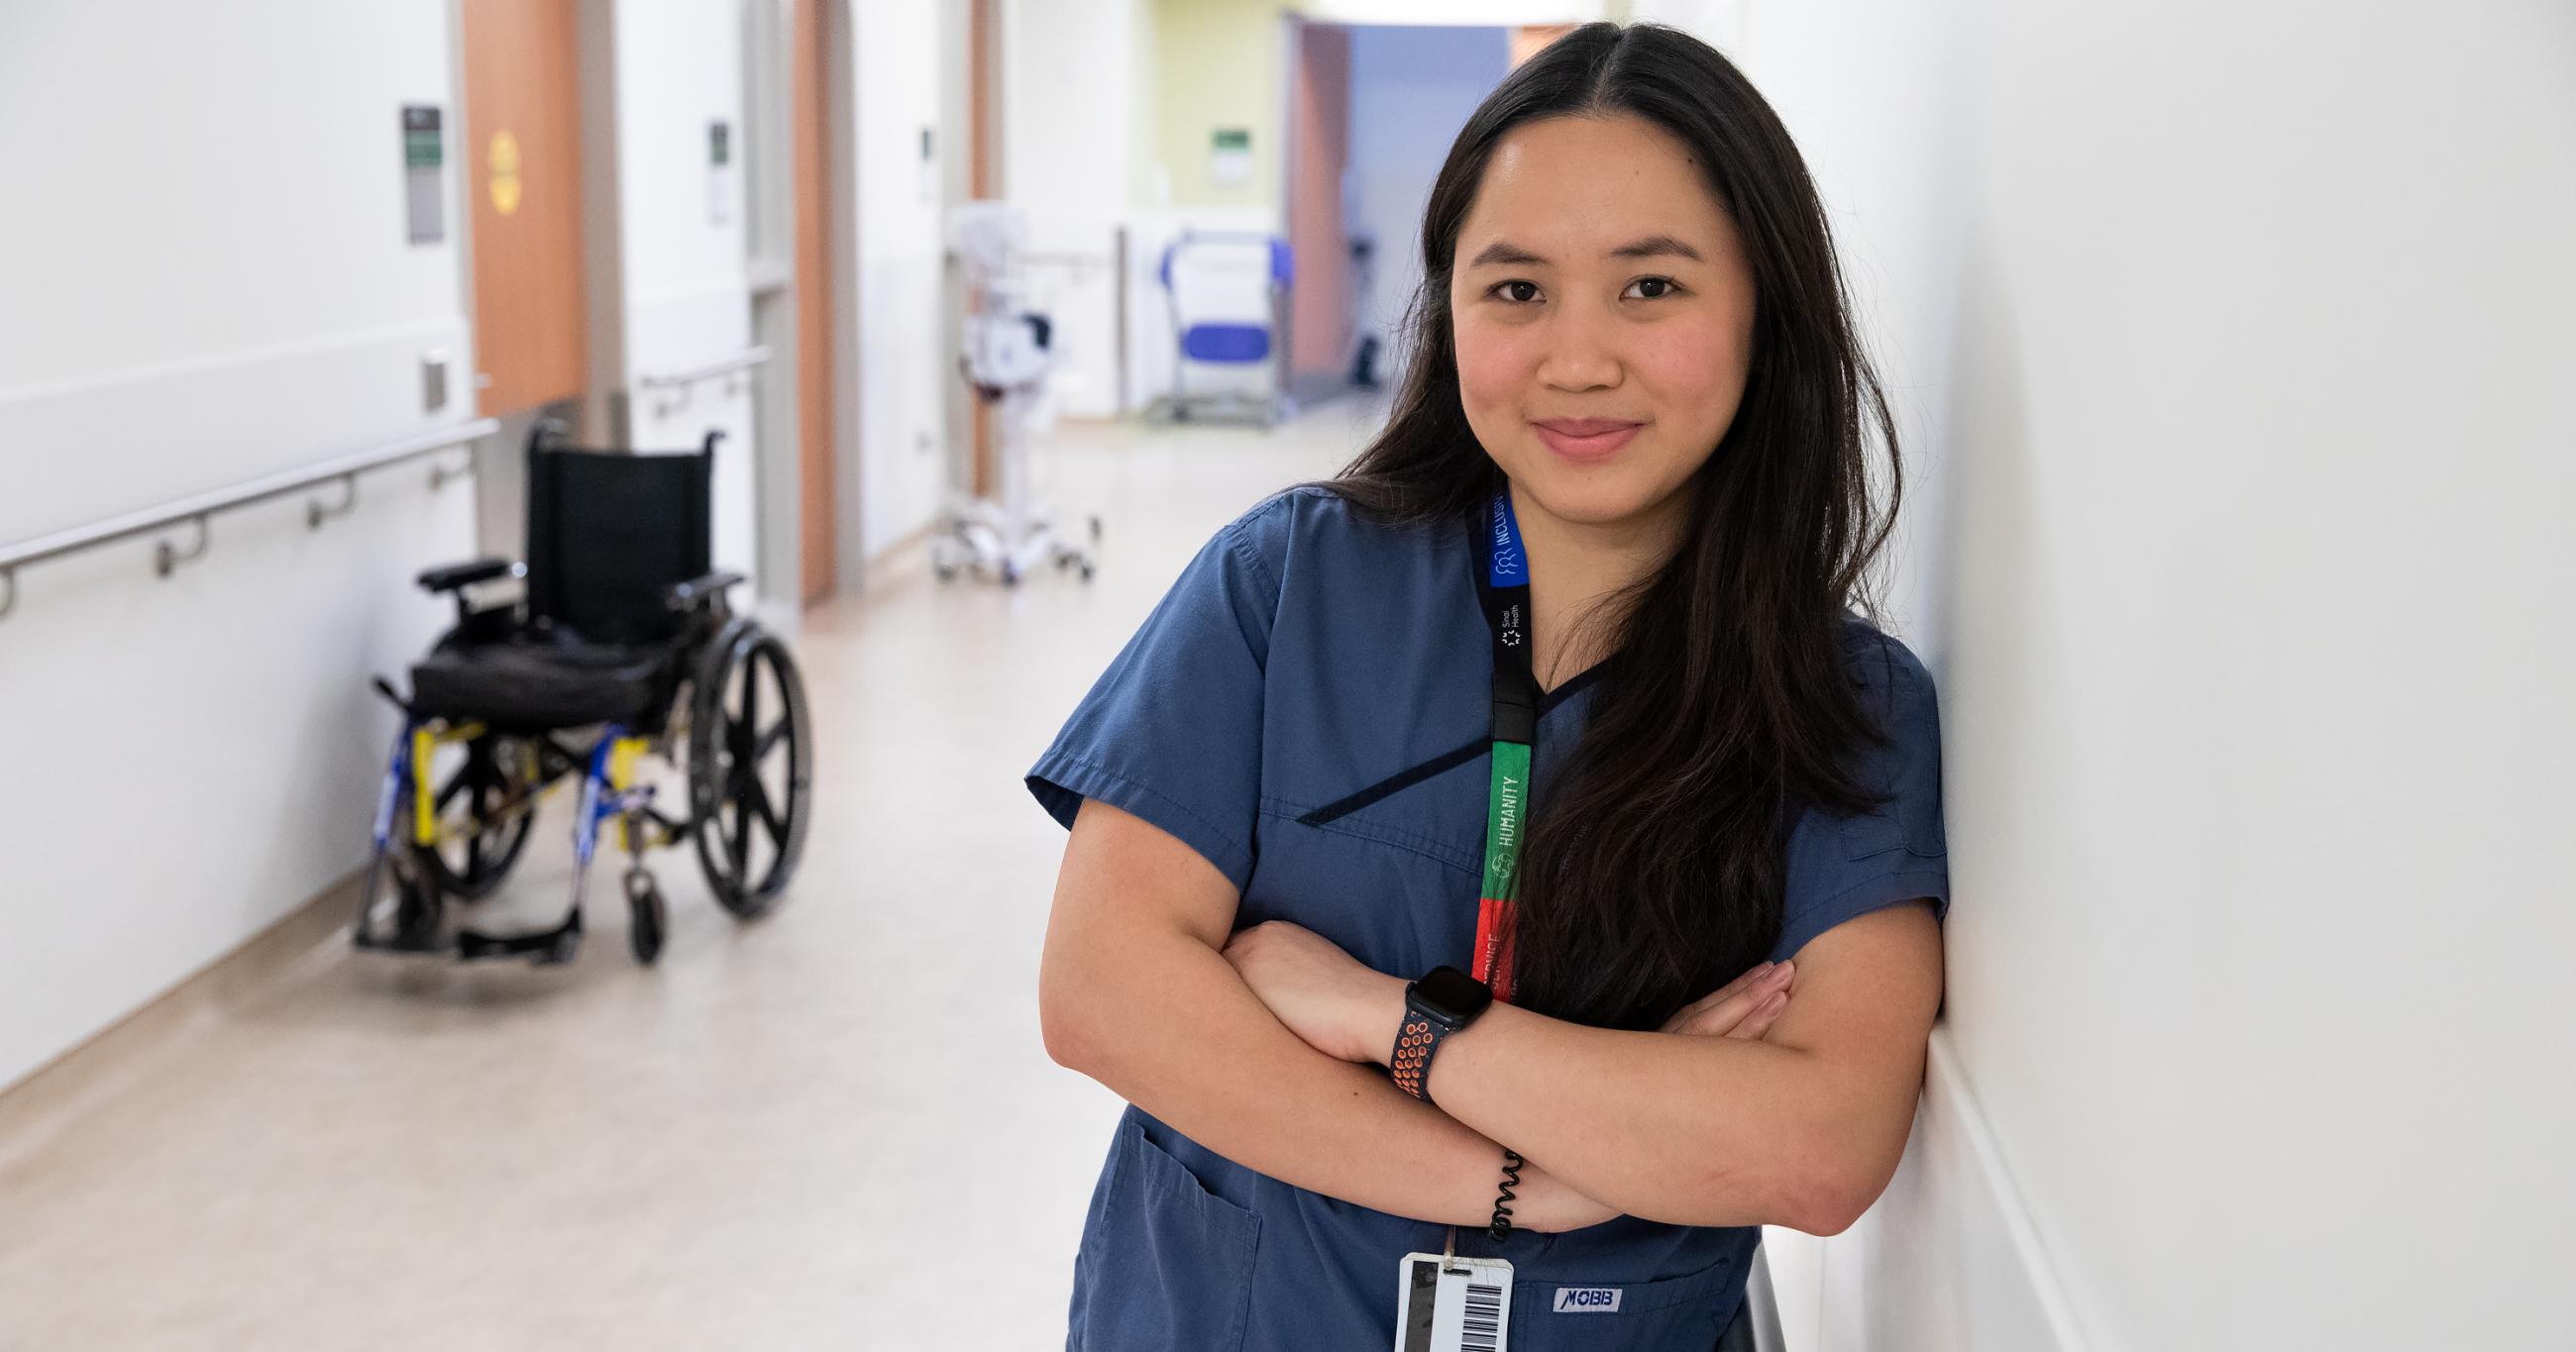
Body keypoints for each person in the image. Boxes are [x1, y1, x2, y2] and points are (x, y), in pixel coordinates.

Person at [1027, 20, 1948, 1351]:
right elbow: (1101, 989)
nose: (1577, 359)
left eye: (1651, 288)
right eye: (1515, 290)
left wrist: (1386, 1019)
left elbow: (1820, 1141)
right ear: (1447, 304)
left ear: (1764, 305)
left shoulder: (1843, 704)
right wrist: (1536, 1180)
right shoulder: (1288, 586)